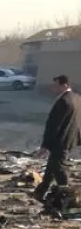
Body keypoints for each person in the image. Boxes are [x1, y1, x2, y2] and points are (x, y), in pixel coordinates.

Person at [35, 75, 80, 204]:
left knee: (59, 169)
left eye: (56, 85)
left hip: (60, 140)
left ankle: (68, 196)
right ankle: (40, 193)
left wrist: (45, 146)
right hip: (70, 139)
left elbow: (54, 126)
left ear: (65, 85)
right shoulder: (77, 98)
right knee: (51, 167)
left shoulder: (63, 101)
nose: (52, 88)